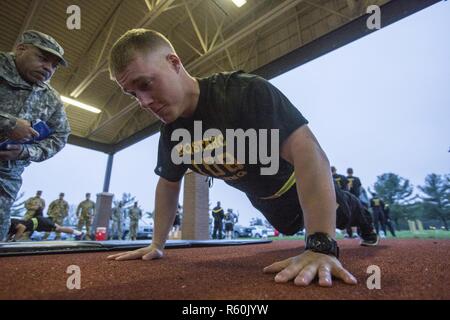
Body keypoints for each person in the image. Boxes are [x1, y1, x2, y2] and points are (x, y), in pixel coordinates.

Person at [106, 29, 378, 287]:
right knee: (287, 227)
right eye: (133, 94)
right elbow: (168, 184)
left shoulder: (243, 93)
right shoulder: (171, 133)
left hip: (296, 184)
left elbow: (310, 154)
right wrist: (157, 244)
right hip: (263, 200)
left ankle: (366, 222)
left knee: (344, 212)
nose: (143, 102)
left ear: (174, 63)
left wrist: (321, 246)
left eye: (145, 84)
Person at [0, 30, 70, 241]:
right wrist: (8, 123)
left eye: (54, 65)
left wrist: (25, 151)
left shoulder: (50, 99)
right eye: (43, 59)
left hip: (6, 178)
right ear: (20, 49)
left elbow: (60, 136)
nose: (48, 68)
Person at [7, 208, 81, 242]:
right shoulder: (7, 227)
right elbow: (12, 232)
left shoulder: (8, 222)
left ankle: (79, 233)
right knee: (59, 229)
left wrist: (15, 239)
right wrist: (8, 240)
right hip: (38, 224)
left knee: (59, 229)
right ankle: (79, 233)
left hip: (40, 222)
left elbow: (22, 227)